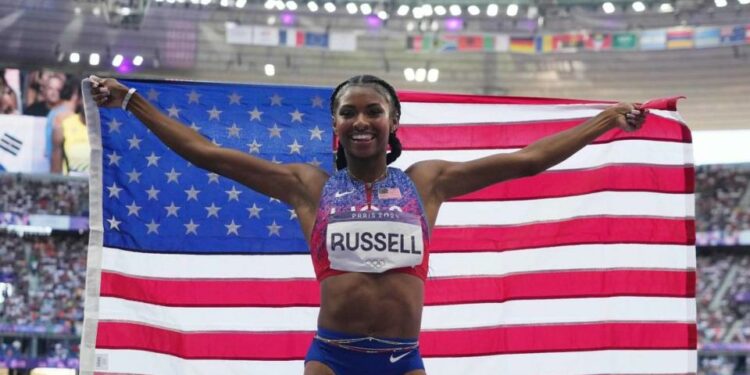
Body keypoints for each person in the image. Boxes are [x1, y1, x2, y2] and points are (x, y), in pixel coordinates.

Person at [89, 74, 647, 375]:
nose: (361, 121)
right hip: (331, 359)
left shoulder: (428, 182)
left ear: (393, 121)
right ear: (334, 124)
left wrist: (605, 120)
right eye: (349, 112)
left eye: (372, 111)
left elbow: (526, 161)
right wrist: (132, 100)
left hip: (404, 361)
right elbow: (207, 154)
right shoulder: (308, 186)